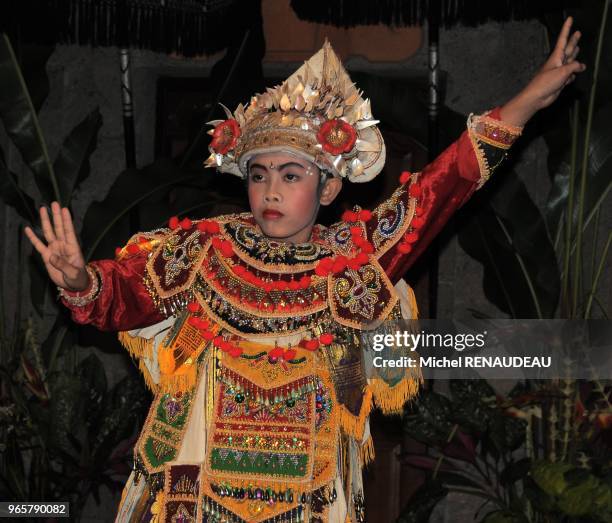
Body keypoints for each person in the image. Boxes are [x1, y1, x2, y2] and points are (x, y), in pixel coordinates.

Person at [25, 18, 585, 523]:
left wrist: (528, 101)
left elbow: (443, 189)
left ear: (330, 186)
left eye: (291, 175)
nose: (271, 190)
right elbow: (126, 295)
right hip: (196, 493)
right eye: (259, 174)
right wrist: (82, 283)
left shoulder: (355, 257)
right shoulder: (203, 250)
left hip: (309, 498)